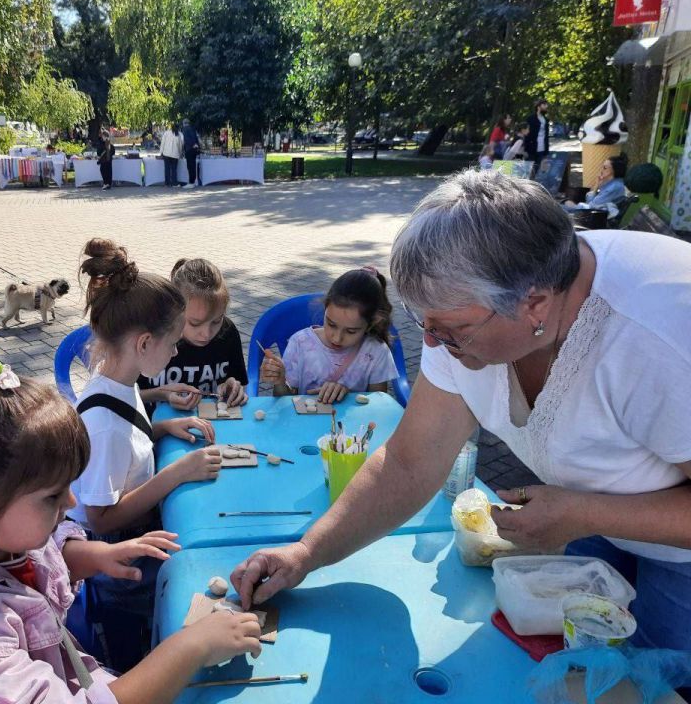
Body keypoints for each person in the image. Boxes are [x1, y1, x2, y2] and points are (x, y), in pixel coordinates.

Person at [229, 170, 691, 661]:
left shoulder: (659, 337)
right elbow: (410, 461)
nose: (430, 345)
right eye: (420, 322)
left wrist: (582, 512)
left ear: (534, 303)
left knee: (660, 673)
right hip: (591, 519)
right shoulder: (470, 304)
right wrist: (306, 552)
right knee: (585, 666)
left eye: (450, 331)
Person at [0, 341, 261, 703]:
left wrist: (94, 554)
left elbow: (36, 549)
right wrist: (192, 647)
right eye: (53, 496)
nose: (71, 502)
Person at [69, 239, 224, 664]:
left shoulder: (119, 384)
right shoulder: (104, 427)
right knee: (196, 582)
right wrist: (175, 474)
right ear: (143, 343)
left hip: (133, 532)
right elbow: (100, 517)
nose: (176, 351)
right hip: (118, 562)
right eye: (173, 342)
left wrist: (160, 428)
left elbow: (130, 442)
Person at [259, 267, 398, 405]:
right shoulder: (300, 342)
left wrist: (348, 396)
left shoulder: (376, 351)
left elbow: (378, 407)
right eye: (331, 324)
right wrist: (280, 382)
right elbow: (284, 404)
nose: (337, 338)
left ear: (372, 323)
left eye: (351, 331)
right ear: (325, 308)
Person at [138, 258, 249, 412]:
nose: (206, 334)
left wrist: (232, 386)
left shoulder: (227, 332)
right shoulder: (153, 337)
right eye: (195, 324)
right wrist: (162, 394)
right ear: (174, 311)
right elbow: (121, 396)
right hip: (155, 430)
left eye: (217, 321)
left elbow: (238, 382)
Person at [563, 155, 628, 215]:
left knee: (560, 206)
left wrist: (574, 206)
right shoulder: (612, 184)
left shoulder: (614, 187)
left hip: (592, 217)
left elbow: (591, 206)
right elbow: (591, 203)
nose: (601, 170)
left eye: (605, 168)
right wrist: (597, 185)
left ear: (615, 170)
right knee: (564, 203)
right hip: (593, 214)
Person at [525, 99, 550, 169]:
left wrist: (546, 151)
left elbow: (546, 136)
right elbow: (527, 135)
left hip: (542, 149)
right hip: (532, 149)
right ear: (538, 107)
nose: (546, 106)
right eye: (544, 105)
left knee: (540, 170)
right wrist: (526, 149)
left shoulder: (546, 120)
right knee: (530, 171)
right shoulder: (530, 119)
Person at [182, 119, 201, 189]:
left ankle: (191, 182)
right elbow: (196, 138)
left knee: (190, 166)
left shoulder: (185, 129)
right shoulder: (192, 129)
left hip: (189, 149)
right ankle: (193, 182)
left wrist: (193, 144)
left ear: (184, 123)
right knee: (193, 165)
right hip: (194, 150)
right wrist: (196, 145)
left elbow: (187, 139)